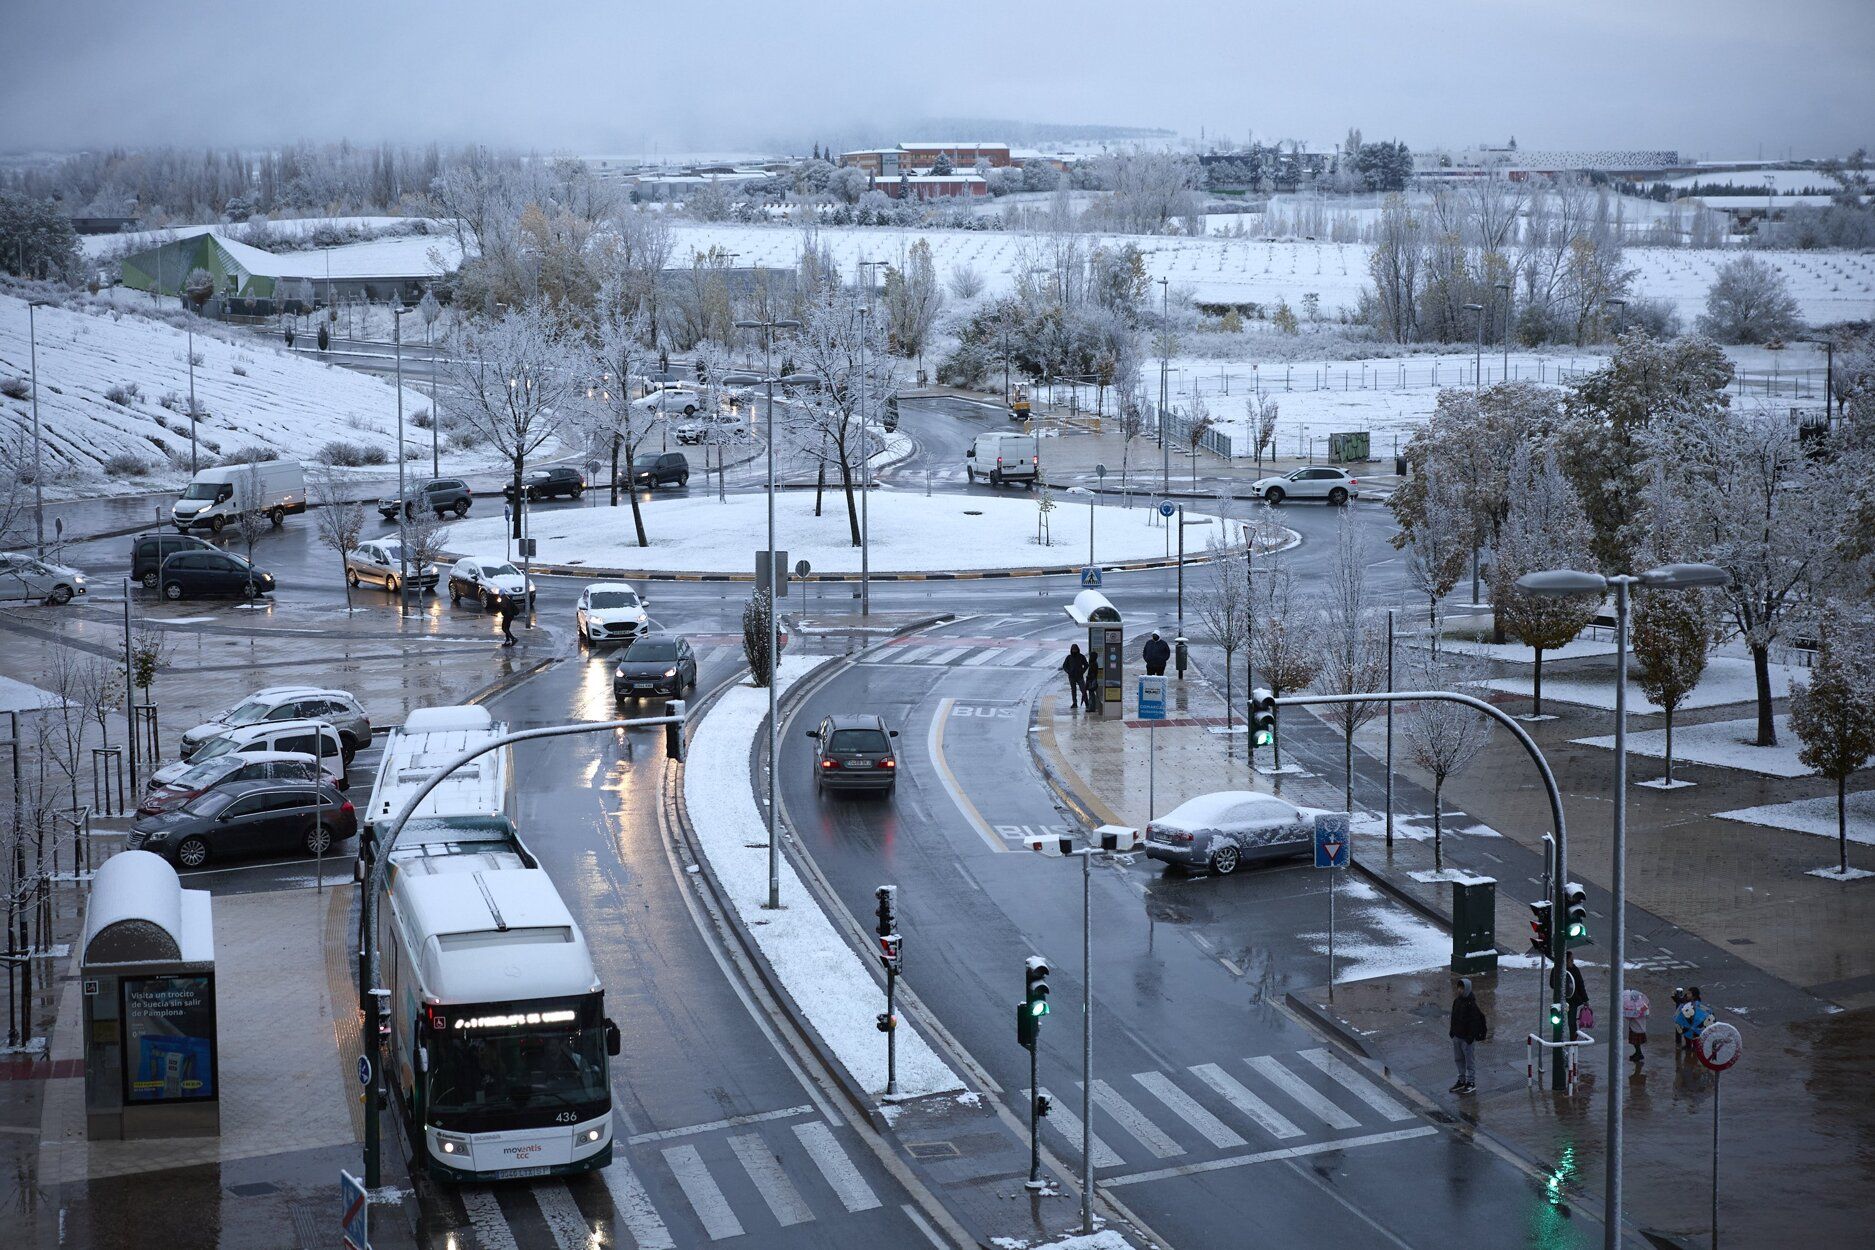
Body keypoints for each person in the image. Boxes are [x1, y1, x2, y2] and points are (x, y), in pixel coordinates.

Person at [1448, 977, 1488, 1094]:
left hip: (1466, 1039)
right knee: (1459, 1059)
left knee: (1469, 1061)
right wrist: (1452, 1031)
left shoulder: (1472, 1004)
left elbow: (1475, 1022)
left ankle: (1471, 1082)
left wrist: (1470, 1037)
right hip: (1457, 1036)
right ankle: (1461, 1080)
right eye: (1459, 987)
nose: (1459, 990)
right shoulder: (1457, 1001)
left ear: (1467, 989)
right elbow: (1454, 1017)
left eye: (1462, 988)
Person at [1675, 987, 1713, 1054]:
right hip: (1687, 1022)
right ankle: (1688, 1046)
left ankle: (1695, 1047)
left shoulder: (1696, 1004)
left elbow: (1699, 1013)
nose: (1687, 994)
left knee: (1695, 1035)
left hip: (1694, 1022)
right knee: (1686, 1034)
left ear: (1694, 996)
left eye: (1689, 993)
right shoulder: (1686, 1000)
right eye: (1687, 993)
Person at [1565, 953, 1590, 1040]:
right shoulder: (1557, 969)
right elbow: (1552, 984)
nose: (1573, 962)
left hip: (1572, 1002)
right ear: (1565, 960)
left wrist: (1585, 1000)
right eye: (1571, 960)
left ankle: (1573, 1041)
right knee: (1558, 1022)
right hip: (1562, 1001)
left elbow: (1580, 985)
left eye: (1573, 960)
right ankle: (1559, 1041)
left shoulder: (1575, 970)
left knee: (1571, 1022)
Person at [1623, 987, 1650, 1066]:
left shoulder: (1632, 1009)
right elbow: (1647, 1015)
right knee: (1637, 1043)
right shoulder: (1643, 1007)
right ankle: (1637, 1053)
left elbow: (1629, 1017)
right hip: (1641, 1028)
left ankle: (1639, 1054)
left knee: (1636, 1043)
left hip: (1635, 1029)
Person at [1061, 644, 1089, 708]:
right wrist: (1069, 672)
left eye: (1075, 650)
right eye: (1073, 650)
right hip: (1071, 677)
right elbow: (1064, 666)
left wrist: (1082, 671)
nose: (1074, 651)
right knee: (1073, 690)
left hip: (1079, 676)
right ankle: (1074, 703)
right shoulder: (1069, 657)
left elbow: (1086, 665)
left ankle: (1086, 702)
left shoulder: (1081, 657)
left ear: (1078, 650)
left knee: (1083, 690)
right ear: (1071, 650)